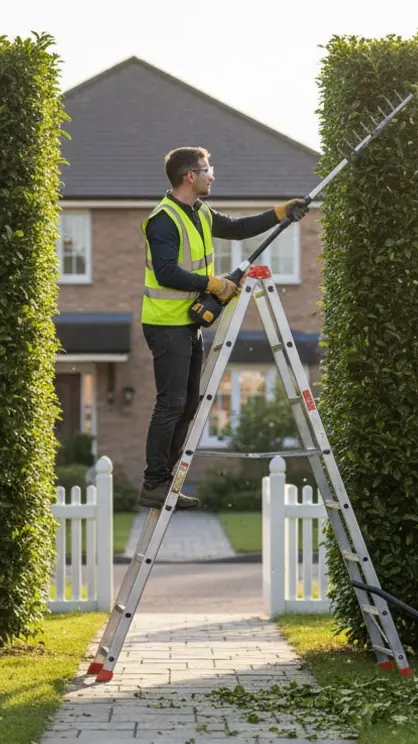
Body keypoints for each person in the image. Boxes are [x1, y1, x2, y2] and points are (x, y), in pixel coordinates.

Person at [138, 146, 309, 509]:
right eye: (207, 168)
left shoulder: (199, 212)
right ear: (189, 176)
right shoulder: (164, 219)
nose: (212, 174)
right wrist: (213, 285)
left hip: (188, 324)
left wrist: (282, 213)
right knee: (170, 404)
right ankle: (154, 482)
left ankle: (164, 480)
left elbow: (237, 227)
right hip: (166, 325)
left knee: (187, 406)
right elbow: (167, 272)